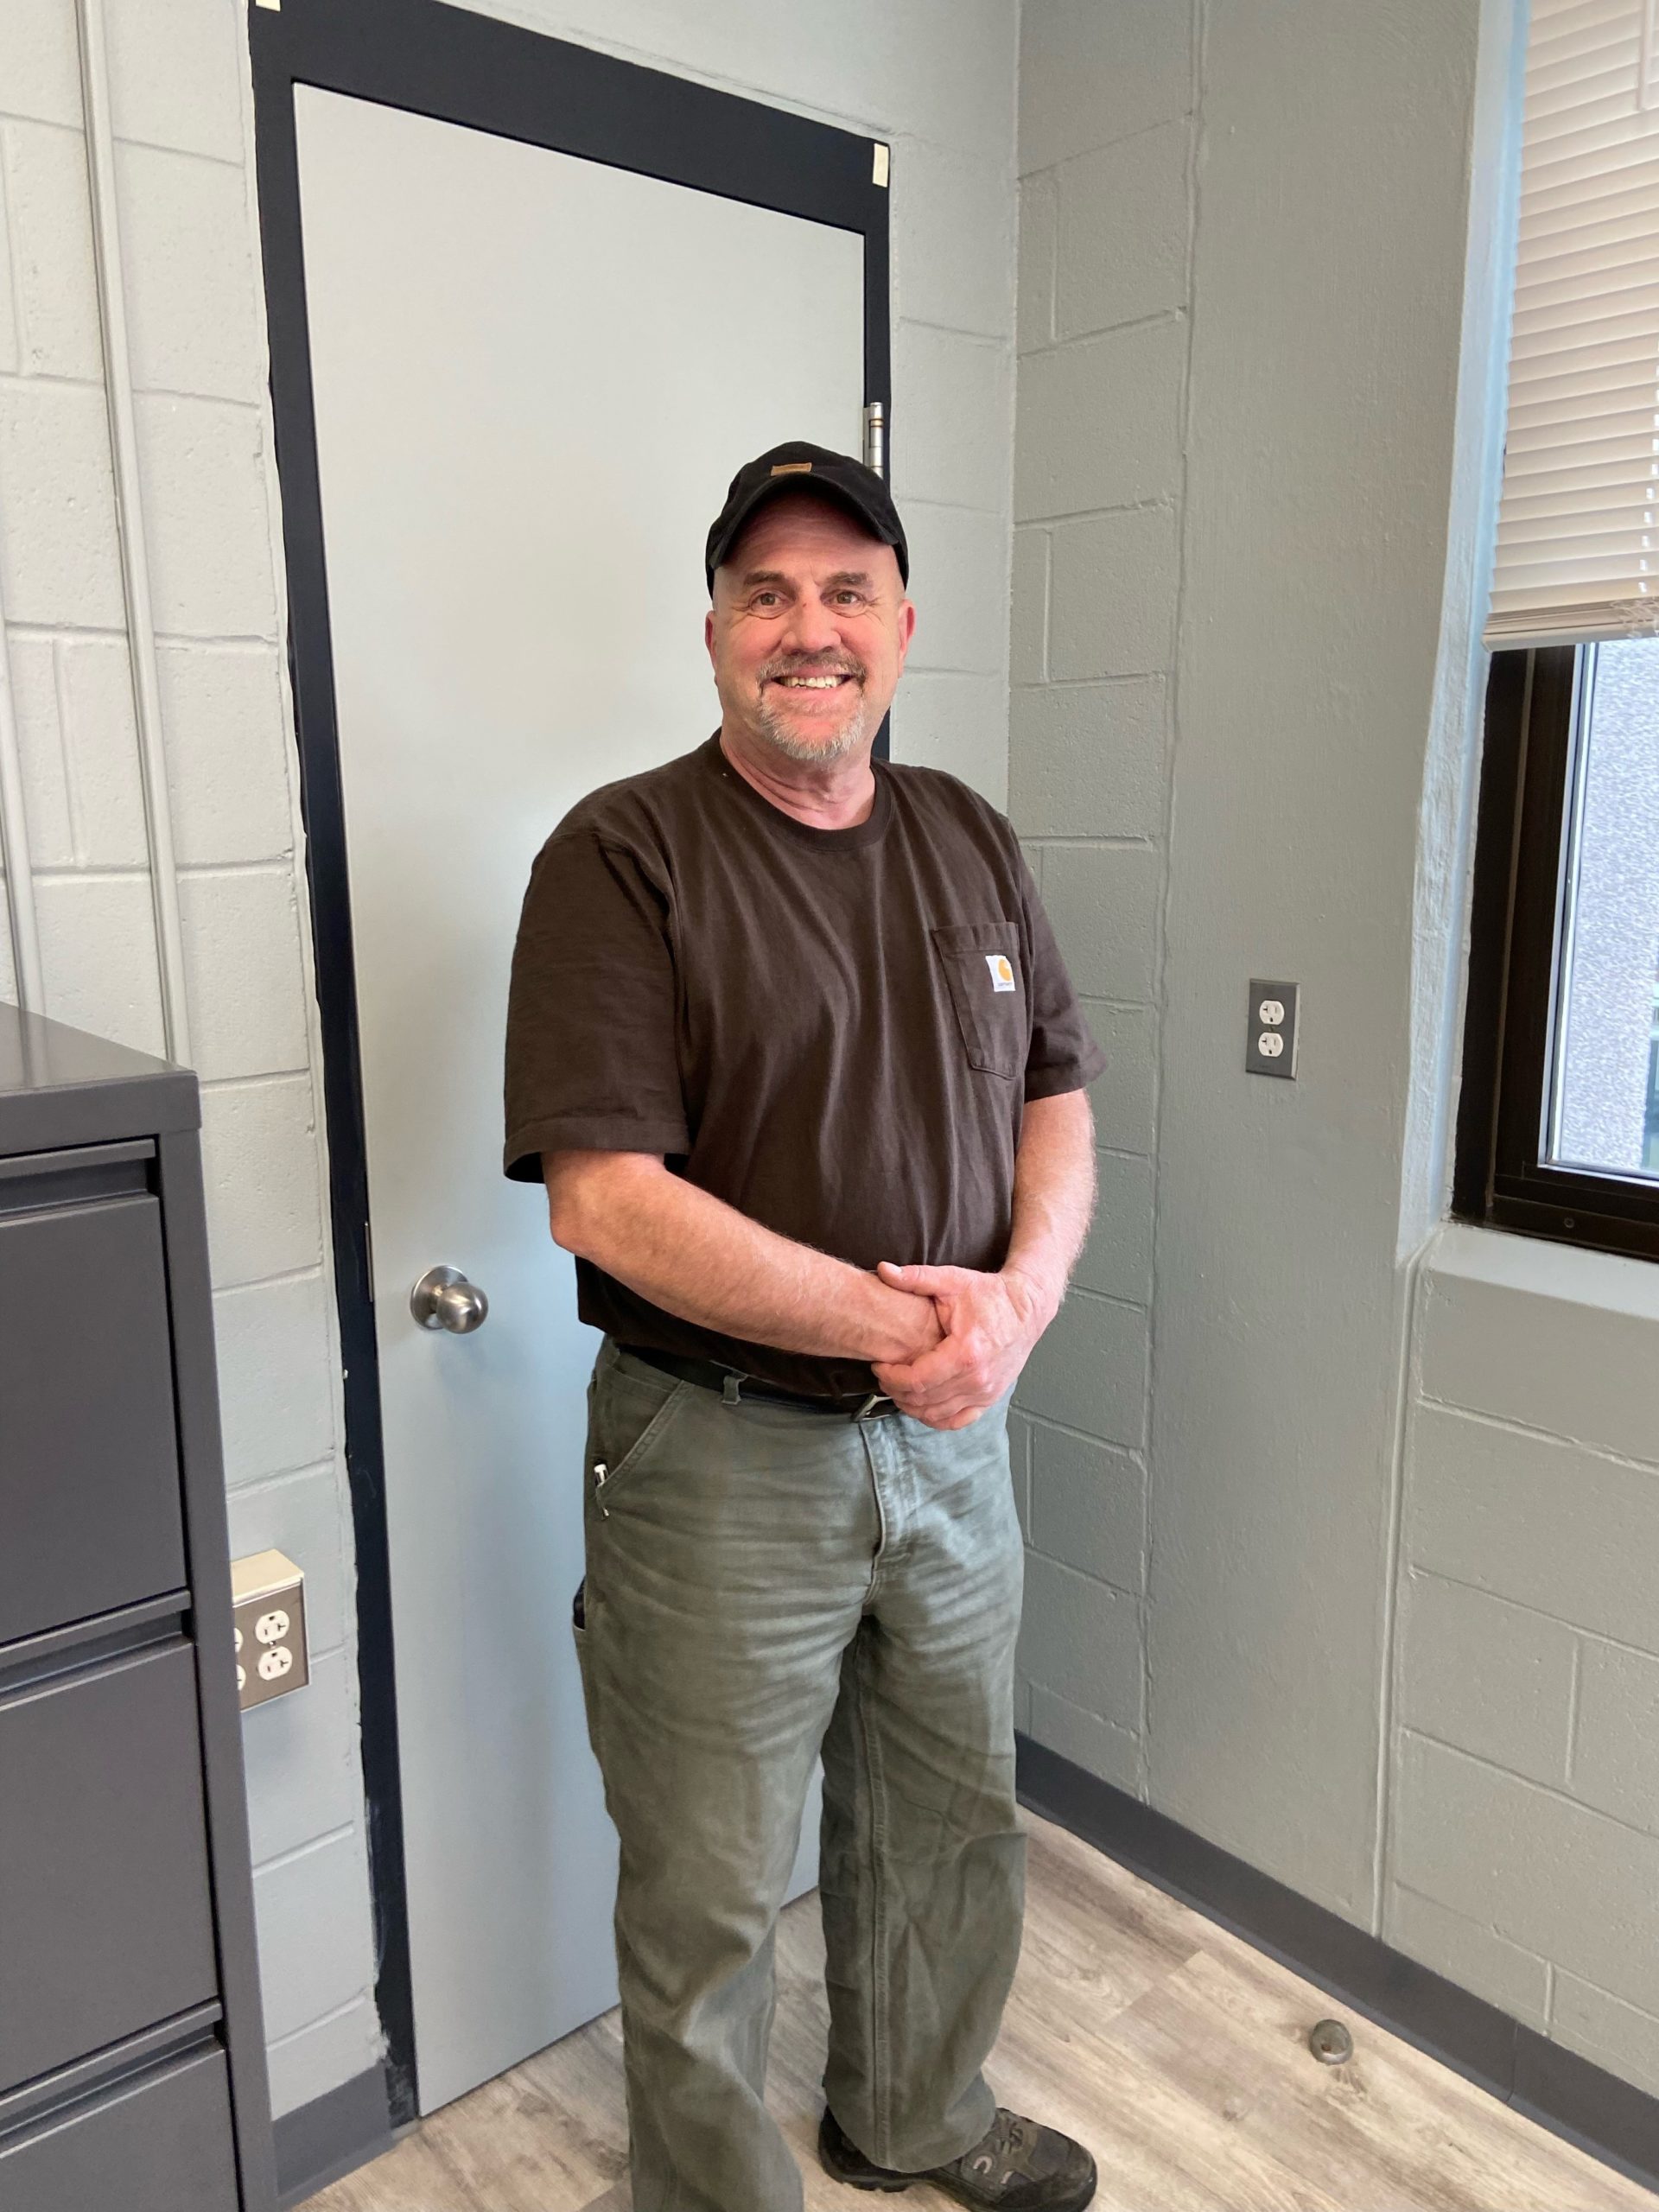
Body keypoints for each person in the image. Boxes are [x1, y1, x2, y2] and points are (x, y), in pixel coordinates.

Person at [503, 441, 1103, 2212]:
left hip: (955, 1441)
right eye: (767, 593)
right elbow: (604, 1195)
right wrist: (896, 1319)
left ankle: (910, 2114)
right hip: (718, 1453)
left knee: (947, 1818)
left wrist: (1017, 1314)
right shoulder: (623, 853)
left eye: (847, 590)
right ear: (714, 635)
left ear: (903, 626)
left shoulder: (971, 839)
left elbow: (1058, 1096)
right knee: (702, 1886)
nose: (809, 628)